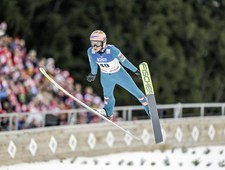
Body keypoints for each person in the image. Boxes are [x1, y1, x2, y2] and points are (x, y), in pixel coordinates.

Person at [86, 30, 150, 119]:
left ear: (103, 42)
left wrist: (136, 71)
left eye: (97, 43)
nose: (94, 46)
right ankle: (108, 112)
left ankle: (148, 108)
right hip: (105, 76)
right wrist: (93, 74)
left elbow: (125, 61)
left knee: (136, 91)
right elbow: (92, 63)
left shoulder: (112, 50)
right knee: (107, 95)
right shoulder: (90, 51)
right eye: (93, 43)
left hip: (119, 74)